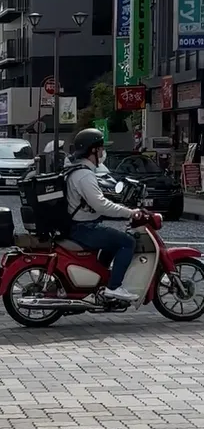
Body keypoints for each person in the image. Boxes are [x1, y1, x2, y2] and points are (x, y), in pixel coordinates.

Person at [66, 128, 140, 302]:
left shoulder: (78, 170)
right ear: (93, 150)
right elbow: (100, 204)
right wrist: (129, 212)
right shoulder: (84, 175)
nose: (102, 152)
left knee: (112, 242)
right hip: (83, 228)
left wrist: (118, 208)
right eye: (100, 149)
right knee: (127, 242)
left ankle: (101, 281)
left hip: (79, 225)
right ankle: (114, 287)